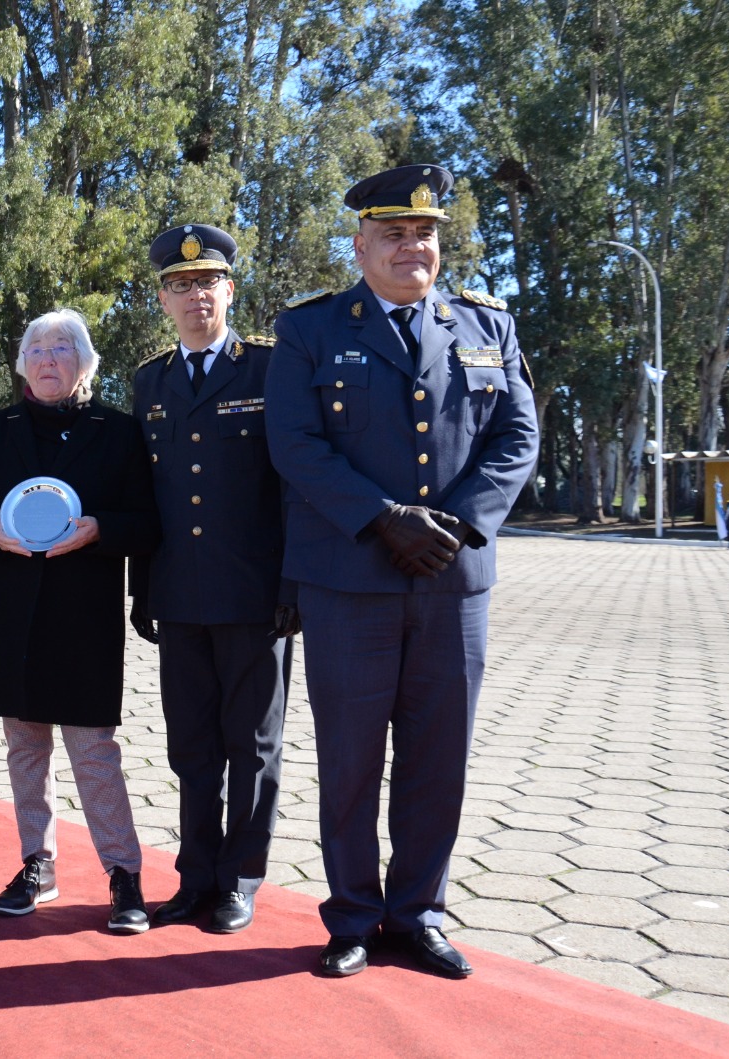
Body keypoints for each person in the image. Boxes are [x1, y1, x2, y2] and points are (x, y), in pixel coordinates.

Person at [266, 164, 540, 979]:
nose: (411, 246)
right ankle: (352, 916)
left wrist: (455, 525)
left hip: (452, 582)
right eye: (393, 233)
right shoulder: (310, 330)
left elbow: (517, 439)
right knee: (351, 759)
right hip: (350, 580)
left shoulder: (487, 325)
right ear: (360, 246)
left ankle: (418, 912)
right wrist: (384, 518)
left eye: (424, 233)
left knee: (437, 757)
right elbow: (295, 444)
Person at [0, 308, 160, 934]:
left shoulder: (118, 432)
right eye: (36, 349)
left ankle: (123, 873)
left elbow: (147, 522)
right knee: (23, 747)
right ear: (22, 365)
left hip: (82, 615)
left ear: (85, 363)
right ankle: (37, 862)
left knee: (93, 750)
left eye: (62, 347)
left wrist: (101, 530)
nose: (47, 359)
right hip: (8, 614)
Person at [130, 223, 295, 935]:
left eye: (208, 281)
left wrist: (295, 581)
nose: (195, 294)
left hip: (256, 595)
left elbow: (294, 483)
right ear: (162, 299)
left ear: (230, 288)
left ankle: (240, 878)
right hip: (180, 595)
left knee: (252, 745)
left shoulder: (269, 370)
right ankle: (196, 876)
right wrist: (143, 585)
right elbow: (147, 494)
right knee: (190, 745)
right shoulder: (149, 381)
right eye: (180, 284)